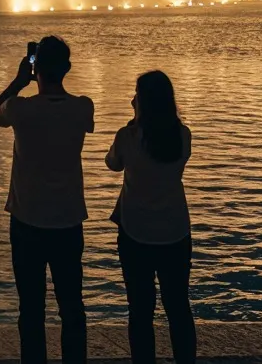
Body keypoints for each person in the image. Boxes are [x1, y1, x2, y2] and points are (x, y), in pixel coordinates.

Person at [0, 36, 94, 364]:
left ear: (36, 69)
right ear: (67, 68)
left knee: (31, 310)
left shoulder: (21, 109)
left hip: (27, 223)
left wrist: (20, 80)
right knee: (72, 308)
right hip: (68, 221)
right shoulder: (83, 107)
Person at [105, 70, 195, 364]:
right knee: (178, 307)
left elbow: (112, 163)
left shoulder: (128, 136)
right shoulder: (182, 135)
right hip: (175, 232)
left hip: (136, 233)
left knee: (140, 311)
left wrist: (134, 119)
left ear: (140, 101)